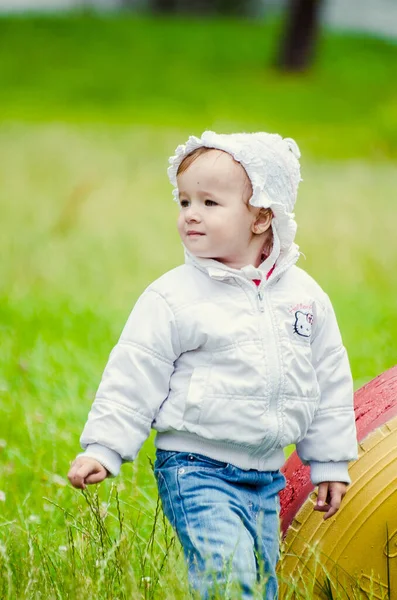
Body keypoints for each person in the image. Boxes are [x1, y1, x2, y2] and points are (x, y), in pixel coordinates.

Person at [68, 131, 358, 599]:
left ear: (263, 216)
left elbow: (326, 380)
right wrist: (104, 447)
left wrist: (328, 461)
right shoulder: (174, 296)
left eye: (210, 202)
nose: (191, 215)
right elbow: (134, 374)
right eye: (184, 201)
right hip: (195, 465)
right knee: (228, 579)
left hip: (266, 474)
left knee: (262, 584)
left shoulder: (304, 296)